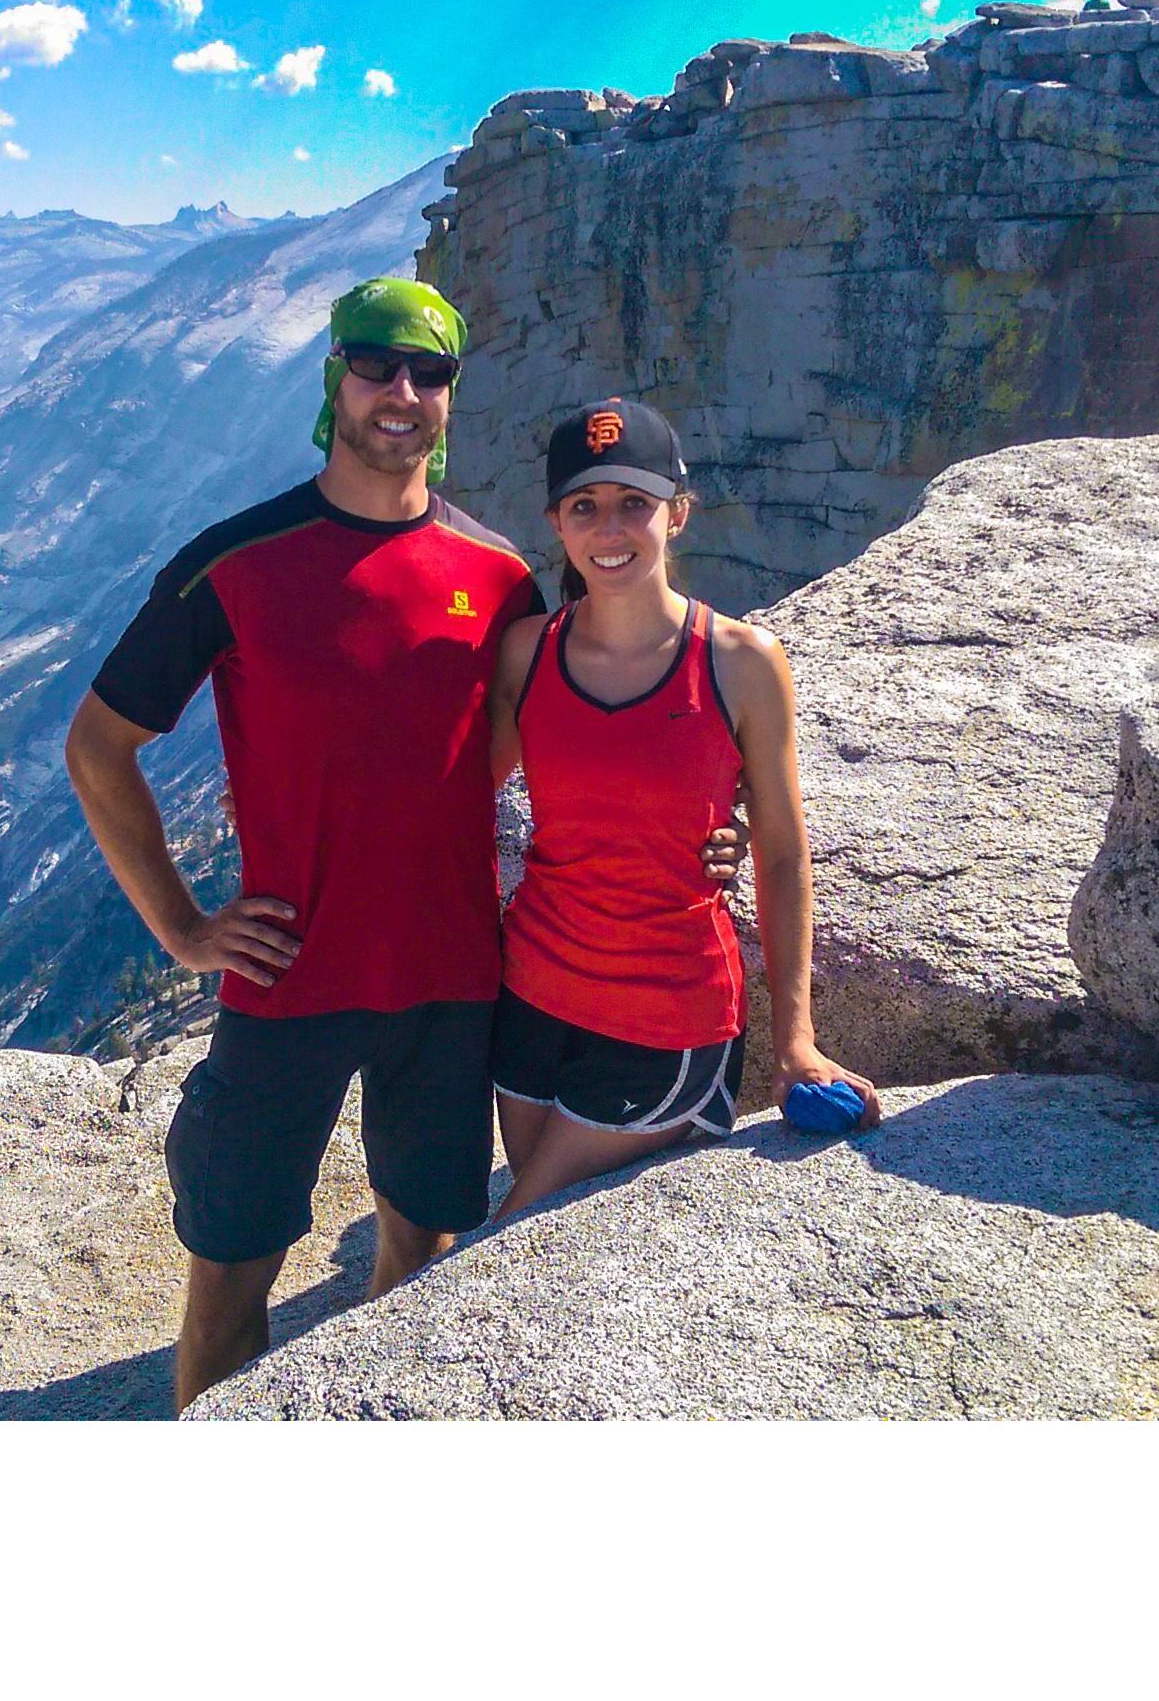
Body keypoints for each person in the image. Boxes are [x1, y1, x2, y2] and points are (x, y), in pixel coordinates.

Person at [65, 282, 742, 1410]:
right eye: (377, 364)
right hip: (287, 981)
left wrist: (714, 833)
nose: (403, 392)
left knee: (419, 1265)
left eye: (430, 373)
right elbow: (99, 747)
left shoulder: (499, 580)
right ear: (335, 377)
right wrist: (182, 928)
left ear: (450, 398)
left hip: (449, 981)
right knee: (231, 1281)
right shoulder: (233, 562)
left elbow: (596, 727)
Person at [487, 395, 881, 1219]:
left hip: (665, 1015)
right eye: (585, 507)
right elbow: (455, 797)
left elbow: (779, 852)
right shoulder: (528, 653)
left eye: (635, 504)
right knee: (548, 1250)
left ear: (678, 513)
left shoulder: (739, 661)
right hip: (529, 996)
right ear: (557, 523)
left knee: (516, 1226)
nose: (611, 530)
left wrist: (795, 1040)